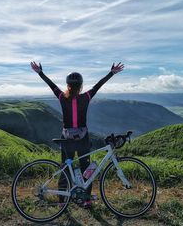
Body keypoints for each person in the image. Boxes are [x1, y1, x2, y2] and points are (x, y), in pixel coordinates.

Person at [30, 61, 124, 208]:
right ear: (80, 86)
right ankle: (86, 200)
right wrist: (111, 72)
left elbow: (52, 85)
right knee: (86, 169)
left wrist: (40, 72)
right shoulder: (86, 97)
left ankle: (62, 202)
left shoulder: (62, 97)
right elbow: (98, 86)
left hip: (66, 139)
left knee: (65, 169)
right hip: (82, 139)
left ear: (68, 85)